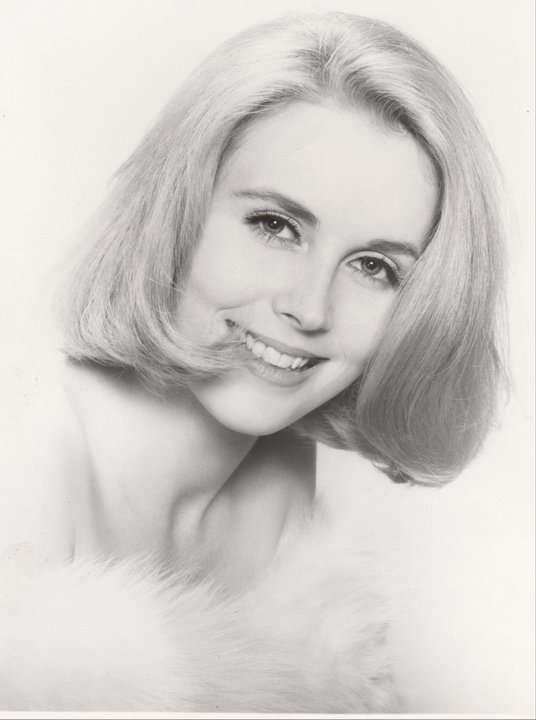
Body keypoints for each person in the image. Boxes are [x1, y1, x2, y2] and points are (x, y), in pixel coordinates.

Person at [0, 11, 505, 712]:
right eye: (275, 226)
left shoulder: (280, 469)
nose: (310, 308)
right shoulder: (21, 458)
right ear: (175, 209)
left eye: (373, 266)